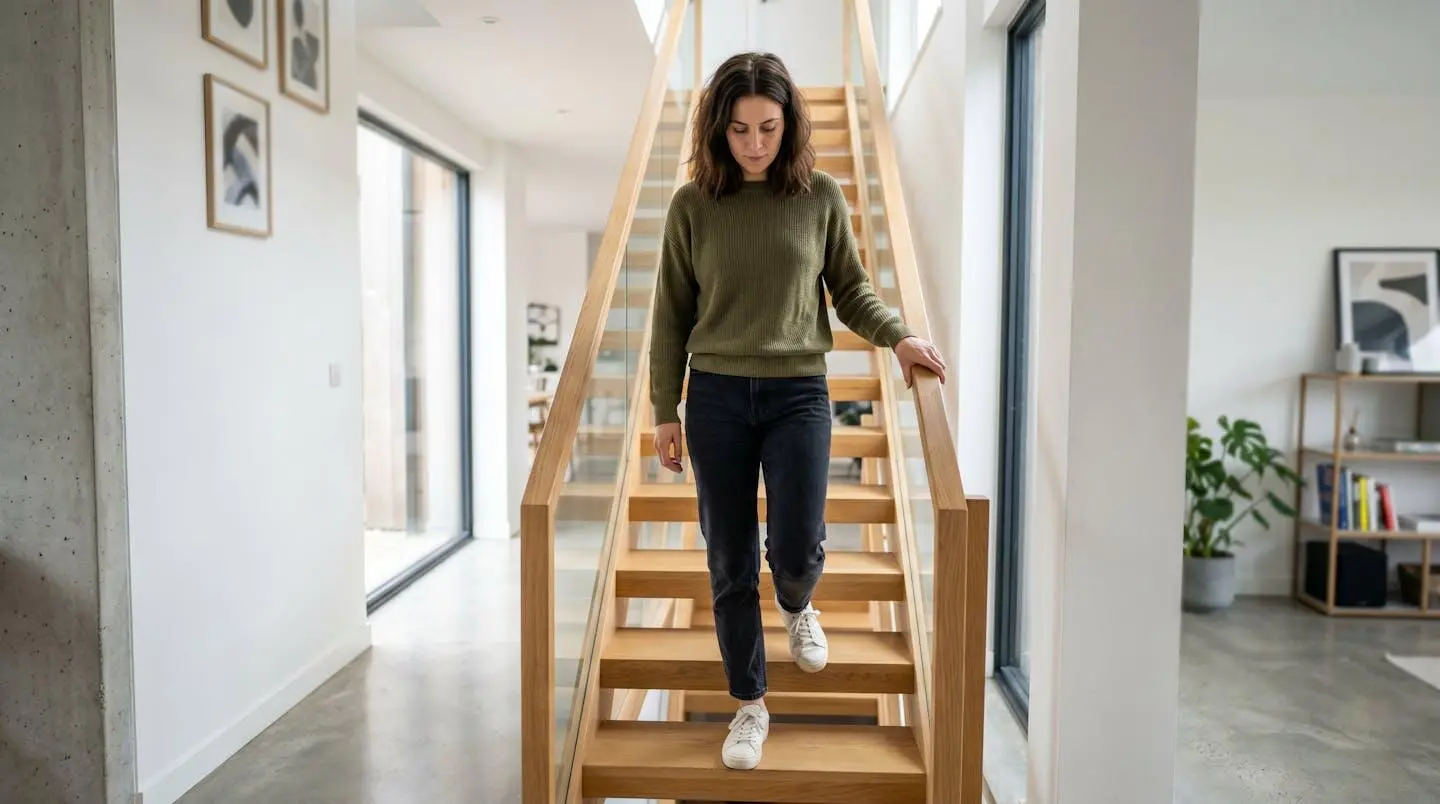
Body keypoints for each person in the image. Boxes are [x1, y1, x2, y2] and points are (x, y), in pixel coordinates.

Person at [648, 52, 947, 770]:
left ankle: (795, 602)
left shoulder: (821, 196)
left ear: (790, 125)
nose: (755, 143)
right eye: (740, 129)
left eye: (769, 128)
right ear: (718, 129)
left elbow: (848, 288)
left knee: (794, 545)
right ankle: (750, 706)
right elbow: (669, 315)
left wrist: (898, 335)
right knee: (727, 557)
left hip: (799, 394)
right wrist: (666, 408)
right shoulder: (693, 205)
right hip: (716, 395)